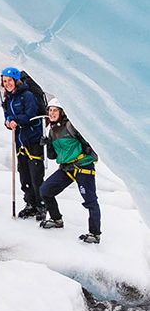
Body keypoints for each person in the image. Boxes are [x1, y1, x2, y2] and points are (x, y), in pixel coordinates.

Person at [39, 99, 101, 243]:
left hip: (83, 166)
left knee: (90, 201)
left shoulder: (70, 126)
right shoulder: (52, 131)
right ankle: (56, 219)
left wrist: (89, 152)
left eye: (55, 110)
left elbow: (88, 140)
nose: (52, 113)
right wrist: (47, 145)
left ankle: (95, 234)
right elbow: (53, 156)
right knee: (45, 191)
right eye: (50, 110)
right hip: (67, 168)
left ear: (62, 112)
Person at [1, 66, 46, 220]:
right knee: (24, 174)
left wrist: (15, 121)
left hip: (33, 139)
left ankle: (41, 205)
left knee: (36, 175)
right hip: (20, 141)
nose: (7, 83)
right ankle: (30, 203)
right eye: (5, 81)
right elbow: (7, 116)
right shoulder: (8, 98)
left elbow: (31, 114)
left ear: (16, 80)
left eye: (9, 80)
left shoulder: (27, 95)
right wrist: (8, 122)